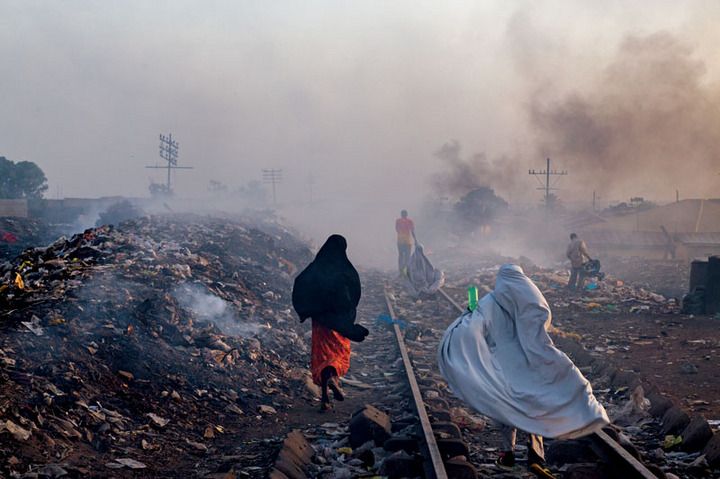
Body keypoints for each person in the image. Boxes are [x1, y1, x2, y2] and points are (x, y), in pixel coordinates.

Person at [438, 264, 609, 478]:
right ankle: (537, 456)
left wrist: (466, 318)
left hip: (503, 365)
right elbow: (543, 318)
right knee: (534, 404)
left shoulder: (489, 303)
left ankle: (507, 454)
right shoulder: (528, 297)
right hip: (530, 363)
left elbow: (474, 327)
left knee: (506, 407)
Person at [292, 235, 369, 410]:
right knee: (338, 352)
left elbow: (300, 284)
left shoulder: (315, 268)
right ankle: (334, 379)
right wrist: (348, 313)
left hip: (320, 321)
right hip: (340, 321)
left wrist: (306, 310)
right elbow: (355, 292)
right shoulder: (346, 269)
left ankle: (325, 399)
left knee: (322, 355)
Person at [395, 210, 416, 275]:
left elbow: (397, 230)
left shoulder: (398, 221)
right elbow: (412, 231)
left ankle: (400, 270)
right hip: (408, 241)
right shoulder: (410, 221)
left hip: (400, 240)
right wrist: (415, 240)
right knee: (407, 256)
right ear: (406, 215)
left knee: (401, 255)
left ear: (401, 214)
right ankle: (406, 271)